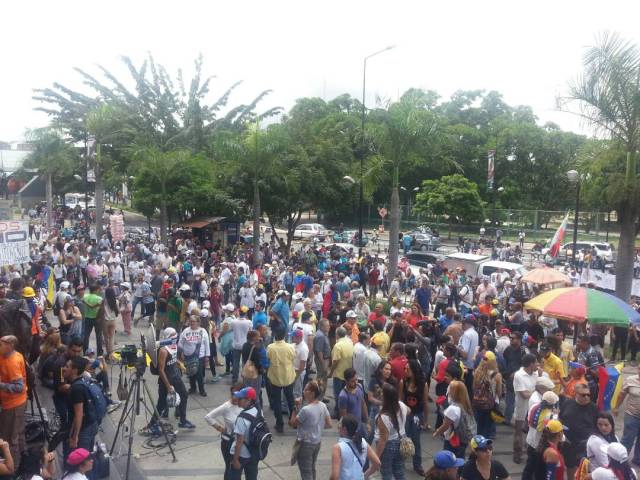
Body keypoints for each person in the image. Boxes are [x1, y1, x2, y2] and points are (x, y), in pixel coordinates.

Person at [150, 327, 193, 430]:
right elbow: (161, 370)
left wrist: (180, 363)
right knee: (161, 403)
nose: (175, 337)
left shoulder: (173, 345)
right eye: (173, 336)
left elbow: (173, 358)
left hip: (176, 377)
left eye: (176, 335)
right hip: (167, 380)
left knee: (184, 395)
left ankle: (183, 420)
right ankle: (152, 424)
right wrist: (168, 386)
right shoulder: (163, 351)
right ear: (167, 337)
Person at [289, 380, 332, 480]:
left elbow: (293, 423)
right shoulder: (322, 405)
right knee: (312, 468)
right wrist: (318, 426)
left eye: (306, 389)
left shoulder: (306, 410)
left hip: (305, 445)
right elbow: (329, 424)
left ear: (312, 393)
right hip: (317, 443)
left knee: (306, 472)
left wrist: (295, 407)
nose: (303, 391)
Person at [560, 383, 599, 479]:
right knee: (570, 466)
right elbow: (560, 418)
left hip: (584, 446)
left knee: (584, 469)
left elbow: (598, 427)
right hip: (568, 443)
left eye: (588, 394)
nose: (586, 397)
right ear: (575, 393)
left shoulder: (593, 408)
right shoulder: (568, 403)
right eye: (583, 394)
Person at [0, 335, 27, 470]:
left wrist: (1, 385)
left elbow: (18, 387)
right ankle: (23, 456)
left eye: (2, 344)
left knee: (10, 438)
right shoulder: (7, 355)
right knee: (18, 432)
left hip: (14, 404)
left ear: (10, 346)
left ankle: (13, 468)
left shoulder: (13, 362)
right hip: (13, 403)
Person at [205, 383, 243, 477]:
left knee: (238, 469)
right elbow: (208, 417)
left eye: (237, 395)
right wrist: (220, 428)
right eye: (232, 394)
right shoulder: (226, 406)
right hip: (228, 443)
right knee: (230, 468)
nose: (234, 397)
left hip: (241, 443)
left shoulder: (244, 405)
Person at [374, 383, 410, 480]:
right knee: (399, 472)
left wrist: (375, 458)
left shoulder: (384, 417)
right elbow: (409, 410)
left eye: (382, 393)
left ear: (386, 398)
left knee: (386, 474)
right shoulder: (401, 405)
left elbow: (383, 440)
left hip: (388, 447)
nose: (380, 394)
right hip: (402, 441)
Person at [329, 414, 381, 480]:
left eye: (339, 425)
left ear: (344, 429)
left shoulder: (338, 448)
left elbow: (335, 476)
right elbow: (377, 463)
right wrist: (365, 475)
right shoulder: (363, 442)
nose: (337, 427)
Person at [65, 357, 98, 458]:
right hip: (91, 424)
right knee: (87, 456)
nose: (64, 368)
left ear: (74, 370)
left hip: (85, 429)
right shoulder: (82, 381)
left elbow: (78, 414)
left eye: (67, 366)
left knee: (82, 459)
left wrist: (75, 437)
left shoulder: (76, 388)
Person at [433, 379, 476, 459]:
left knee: (450, 460)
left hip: (453, 439)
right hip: (464, 439)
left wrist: (437, 432)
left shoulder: (453, 409)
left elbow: (445, 425)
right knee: (460, 458)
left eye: (450, 388)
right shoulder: (464, 405)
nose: (448, 389)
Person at [266, 328, 296, 433]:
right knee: (290, 400)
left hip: (275, 377)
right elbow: (293, 358)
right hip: (288, 376)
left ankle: (279, 424)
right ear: (284, 336)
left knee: (277, 401)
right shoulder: (290, 347)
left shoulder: (270, 347)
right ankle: (293, 420)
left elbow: (268, 358)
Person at [228, 387, 260, 480]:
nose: (237, 400)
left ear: (248, 400)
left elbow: (239, 442)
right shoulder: (258, 411)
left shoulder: (242, 418)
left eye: (240, 398)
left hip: (241, 455)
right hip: (253, 453)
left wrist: (235, 460)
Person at [403, 359, 429, 474]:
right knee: (403, 438)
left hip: (417, 415)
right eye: (405, 368)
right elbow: (400, 399)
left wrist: (425, 420)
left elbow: (425, 403)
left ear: (414, 370)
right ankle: (400, 461)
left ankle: (417, 464)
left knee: (416, 440)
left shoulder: (423, 384)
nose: (405, 370)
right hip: (405, 415)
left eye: (408, 368)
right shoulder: (403, 382)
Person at [513, 354, 540, 464]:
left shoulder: (536, 373)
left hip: (533, 408)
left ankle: (530, 454)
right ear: (531, 364)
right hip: (522, 408)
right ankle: (517, 454)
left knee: (532, 432)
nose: (538, 364)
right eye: (536, 362)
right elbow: (524, 394)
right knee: (519, 432)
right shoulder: (519, 375)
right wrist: (537, 392)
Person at [472, 351, 502, 439]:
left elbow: (474, 388)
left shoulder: (477, 372)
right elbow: (499, 393)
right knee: (487, 428)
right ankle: (484, 445)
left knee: (478, 426)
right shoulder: (497, 375)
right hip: (488, 405)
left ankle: (476, 444)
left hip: (477, 403)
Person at [178, 314, 210, 397]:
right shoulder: (186, 331)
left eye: (193, 321)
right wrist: (181, 352)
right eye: (190, 321)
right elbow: (181, 342)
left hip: (199, 357)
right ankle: (192, 388)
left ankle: (202, 390)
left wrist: (207, 356)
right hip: (188, 356)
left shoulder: (203, 331)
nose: (191, 323)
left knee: (199, 374)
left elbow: (207, 344)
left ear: (198, 322)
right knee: (190, 373)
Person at [329, 326, 354, 418]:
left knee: (338, 394)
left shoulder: (338, 346)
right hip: (348, 373)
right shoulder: (350, 342)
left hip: (339, 374)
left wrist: (331, 372)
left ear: (337, 335)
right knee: (346, 393)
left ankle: (338, 413)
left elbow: (335, 361)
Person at [338, 368, 368, 434]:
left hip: (360, 426)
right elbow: (343, 416)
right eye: (352, 381)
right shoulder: (343, 396)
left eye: (356, 380)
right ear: (346, 381)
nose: (355, 383)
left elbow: (363, 404)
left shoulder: (359, 386)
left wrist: (367, 422)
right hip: (351, 430)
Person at [231, 307, 252, 383]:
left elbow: (232, 330)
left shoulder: (233, 321)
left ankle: (234, 378)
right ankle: (244, 378)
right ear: (246, 313)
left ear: (239, 312)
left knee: (235, 362)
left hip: (236, 344)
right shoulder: (249, 322)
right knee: (245, 362)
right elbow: (250, 332)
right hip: (245, 345)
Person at [82, 284, 103, 355]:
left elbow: (83, 301)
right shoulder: (99, 298)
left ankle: (85, 351)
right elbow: (101, 309)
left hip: (87, 318)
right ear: (95, 290)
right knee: (99, 336)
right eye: (98, 289)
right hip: (97, 319)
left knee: (86, 335)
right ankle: (100, 353)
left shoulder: (85, 297)